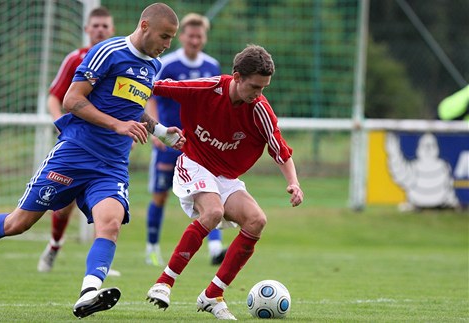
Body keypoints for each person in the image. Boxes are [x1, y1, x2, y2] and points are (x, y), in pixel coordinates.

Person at [0, 3, 183, 319]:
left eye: (171, 38)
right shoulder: (109, 52)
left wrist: (160, 131)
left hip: (112, 164)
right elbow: (72, 100)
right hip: (75, 154)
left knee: (110, 224)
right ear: (144, 26)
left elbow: (133, 107)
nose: (168, 44)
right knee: (17, 223)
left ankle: (88, 292)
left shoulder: (153, 67)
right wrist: (117, 125)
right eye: (165, 36)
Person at [146, 44, 304, 320]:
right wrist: (156, 127)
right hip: (194, 162)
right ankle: (164, 283)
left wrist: (294, 183)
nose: (259, 94)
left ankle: (212, 294)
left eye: (264, 88)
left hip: (226, 178)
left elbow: (280, 150)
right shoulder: (206, 88)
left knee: (257, 220)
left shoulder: (260, 111)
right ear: (237, 77)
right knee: (214, 211)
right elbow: (156, 87)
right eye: (255, 86)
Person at [38, 6, 120, 276]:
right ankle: (54, 245)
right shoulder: (76, 59)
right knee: (63, 207)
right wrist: (60, 123)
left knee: (106, 203)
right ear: (86, 29)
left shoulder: (120, 60)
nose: (100, 30)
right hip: (77, 143)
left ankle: (100, 264)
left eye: (105, 26)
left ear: (112, 30)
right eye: (95, 25)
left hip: (108, 149)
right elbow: (54, 96)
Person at [145, 13, 226, 267]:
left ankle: (215, 247)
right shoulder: (167, 63)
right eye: (190, 35)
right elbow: (150, 95)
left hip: (199, 144)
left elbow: (217, 102)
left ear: (204, 38)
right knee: (160, 195)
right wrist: (156, 130)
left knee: (208, 191)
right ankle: (152, 247)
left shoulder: (212, 66)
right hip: (170, 140)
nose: (194, 40)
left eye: (199, 36)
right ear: (182, 37)